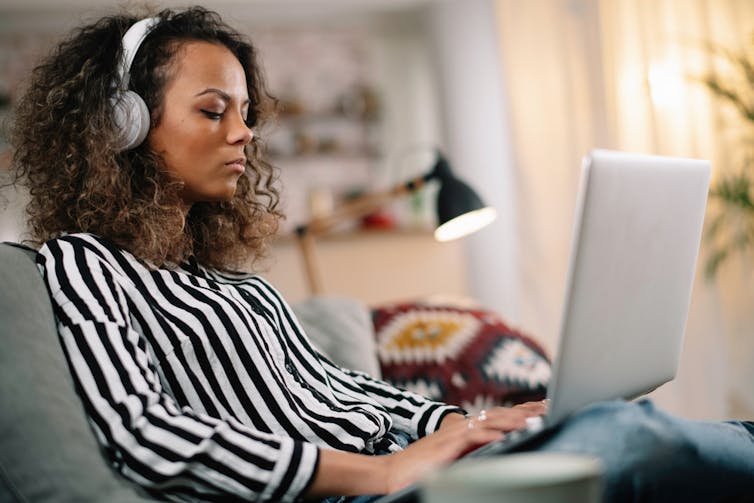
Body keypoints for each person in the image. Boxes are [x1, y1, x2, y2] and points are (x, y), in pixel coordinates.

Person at [7, 6, 754, 503]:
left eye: (247, 113)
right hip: (367, 495)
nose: (243, 133)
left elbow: (339, 391)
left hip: (409, 470)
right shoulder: (83, 263)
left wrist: (466, 424)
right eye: (213, 110)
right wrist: (385, 468)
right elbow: (146, 437)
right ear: (126, 125)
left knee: (649, 424)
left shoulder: (230, 284)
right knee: (626, 438)